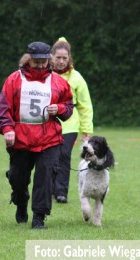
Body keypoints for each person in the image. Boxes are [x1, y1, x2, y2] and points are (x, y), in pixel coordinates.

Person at [0, 41, 73, 229]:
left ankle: (39, 217)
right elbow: (2, 110)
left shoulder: (59, 82)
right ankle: (20, 202)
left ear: (49, 60)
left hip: (49, 139)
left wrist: (60, 108)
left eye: (43, 61)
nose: (40, 65)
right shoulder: (14, 80)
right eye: (36, 61)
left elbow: (69, 108)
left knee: (45, 176)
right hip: (20, 139)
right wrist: (8, 129)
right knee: (17, 177)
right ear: (27, 59)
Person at [50, 37, 93, 204]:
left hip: (69, 123)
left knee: (64, 154)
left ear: (69, 59)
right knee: (50, 157)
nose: (61, 61)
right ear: (51, 57)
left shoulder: (77, 78)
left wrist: (86, 130)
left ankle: (61, 192)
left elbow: (85, 105)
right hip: (48, 122)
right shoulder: (44, 74)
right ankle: (50, 187)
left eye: (64, 58)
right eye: (58, 58)